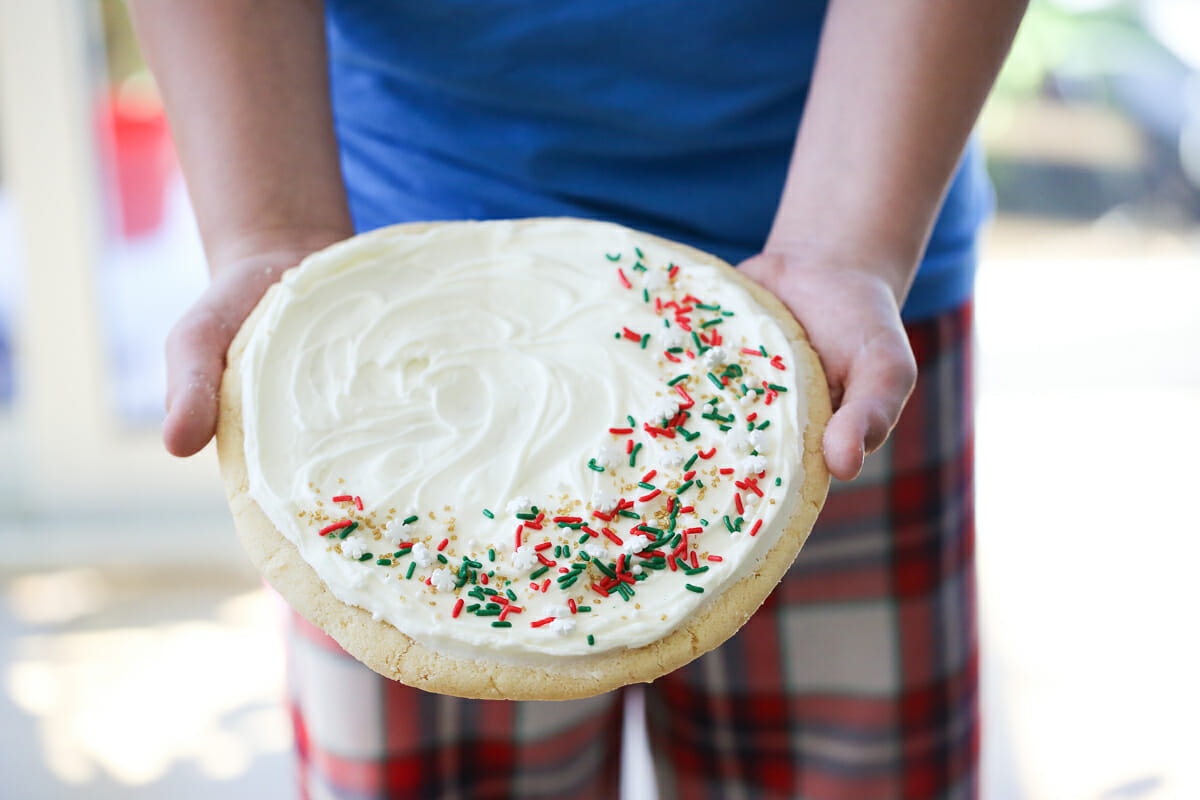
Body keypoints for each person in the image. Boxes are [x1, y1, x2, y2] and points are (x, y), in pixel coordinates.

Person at [130, 1, 1026, 797]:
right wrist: (271, 227)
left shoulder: (836, 308)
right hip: (372, 341)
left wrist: (847, 244)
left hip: (848, 260)